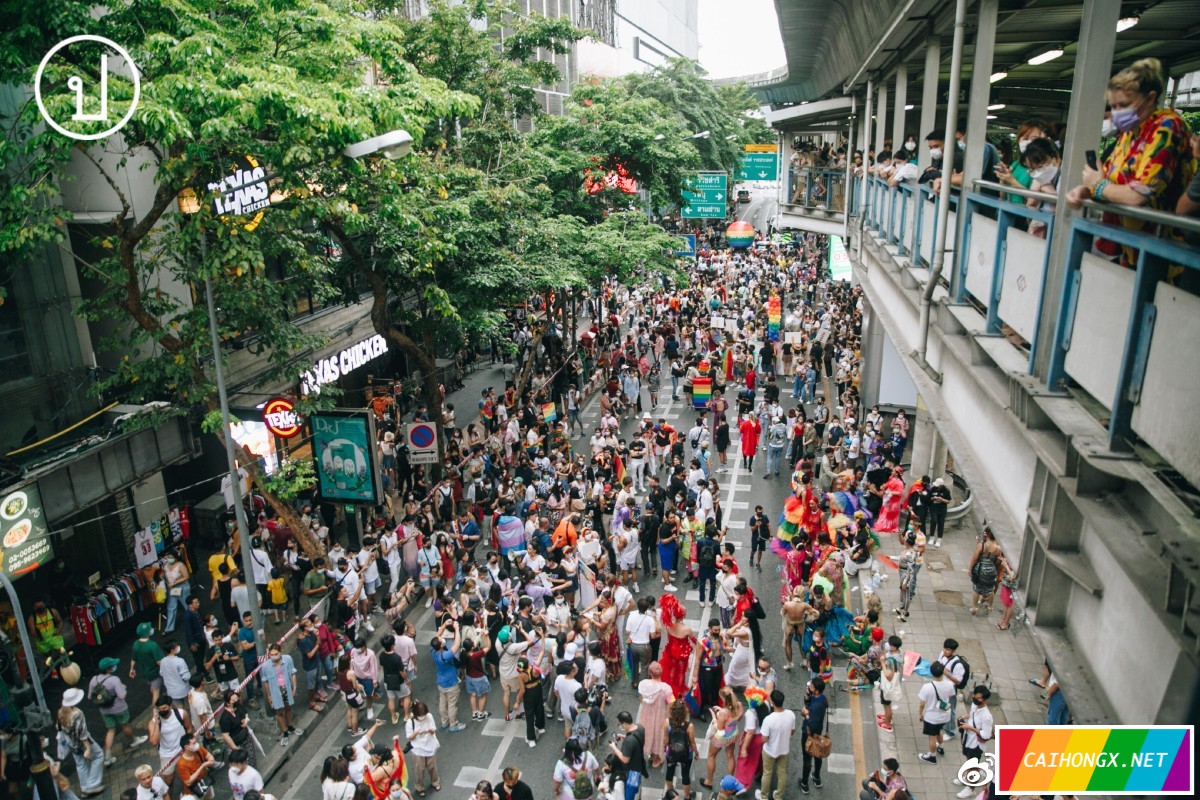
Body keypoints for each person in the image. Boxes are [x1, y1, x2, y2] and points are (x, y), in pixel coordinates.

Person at [1066, 58, 1194, 265]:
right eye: (1114, 106)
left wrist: (1096, 185)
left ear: (1150, 98)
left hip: (1163, 252)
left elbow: (1136, 195)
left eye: (1124, 105)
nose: (1117, 112)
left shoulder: (1167, 127)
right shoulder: (1129, 134)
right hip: (1129, 248)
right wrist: (1084, 189)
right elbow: (1109, 180)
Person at [88, 657, 149, 766]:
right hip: (119, 708)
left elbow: (90, 696)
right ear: (109, 669)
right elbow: (122, 695)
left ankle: (107, 756)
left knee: (110, 730)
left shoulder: (94, 680)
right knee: (125, 725)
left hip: (104, 710)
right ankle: (134, 740)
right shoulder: (114, 680)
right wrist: (123, 687)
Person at [58, 688, 105, 797]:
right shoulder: (78, 713)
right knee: (98, 755)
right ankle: (92, 785)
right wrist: (88, 748)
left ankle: (84, 788)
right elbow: (83, 734)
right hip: (82, 743)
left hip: (72, 744)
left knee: (81, 764)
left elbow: (60, 730)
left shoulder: (60, 713)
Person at [954, 686, 995, 798]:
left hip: (976, 745)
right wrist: (963, 717)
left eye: (978, 698)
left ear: (984, 700)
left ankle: (970, 788)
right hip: (968, 739)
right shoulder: (974, 705)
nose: (975, 699)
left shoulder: (987, 717)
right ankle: (965, 777)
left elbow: (986, 734)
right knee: (968, 760)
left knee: (973, 766)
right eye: (975, 696)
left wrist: (970, 727)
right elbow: (971, 715)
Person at [259, 643, 303, 747]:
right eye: (271, 654)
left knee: (288, 708)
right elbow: (265, 682)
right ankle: (285, 732)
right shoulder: (266, 666)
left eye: (276, 653)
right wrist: (269, 696)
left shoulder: (287, 659)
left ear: (280, 652)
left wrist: (294, 687)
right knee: (279, 711)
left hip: (286, 688)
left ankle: (290, 726)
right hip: (275, 691)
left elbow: (293, 673)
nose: (274, 656)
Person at [757, 689, 795, 800]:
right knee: (782, 773)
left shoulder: (769, 720)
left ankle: (764, 796)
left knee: (767, 773)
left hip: (770, 751)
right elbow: (792, 732)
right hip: (784, 749)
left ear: (772, 702)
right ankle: (778, 796)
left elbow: (764, 739)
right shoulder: (791, 715)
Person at [702, 687, 742, 790]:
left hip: (721, 738)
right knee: (730, 756)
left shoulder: (722, 713)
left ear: (723, 699)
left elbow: (719, 728)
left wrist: (715, 717)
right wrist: (721, 711)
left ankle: (709, 781)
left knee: (711, 756)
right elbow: (738, 718)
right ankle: (730, 784)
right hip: (732, 734)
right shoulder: (739, 706)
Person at [147, 696, 190, 791]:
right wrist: (157, 724)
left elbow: (188, 728)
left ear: (170, 706)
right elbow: (154, 742)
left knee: (187, 776)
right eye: (160, 709)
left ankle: (187, 793)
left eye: (164, 708)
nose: (162, 711)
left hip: (182, 750)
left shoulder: (181, 713)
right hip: (167, 754)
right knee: (168, 781)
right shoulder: (153, 723)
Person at [635, 662, 673, 769]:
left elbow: (641, 698)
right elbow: (671, 703)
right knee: (658, 735)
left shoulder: (643, 684)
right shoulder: (666, 688)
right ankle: (656, 757)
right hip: (660, 715)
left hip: (646, 713)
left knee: (647, 732)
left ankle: (651, 753)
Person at [917, 662, 956, 764]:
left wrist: (920, 714)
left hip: (932, 717)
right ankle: (941, 747)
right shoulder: (950, 684)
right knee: (939, 732)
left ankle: (932, 756)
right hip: (945, 716)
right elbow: (951, 696)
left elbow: (922, 704)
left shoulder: (927, 687)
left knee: (932, 737)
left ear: (931, 672)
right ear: (943, 671)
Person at [431, 620, 466, 731]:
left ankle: (444, 721)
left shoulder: (433, 650)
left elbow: (437, 635)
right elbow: (457, 644)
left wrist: (444, 625)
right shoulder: (445, 655)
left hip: (441, 681)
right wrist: (456, 628)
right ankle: (453, 724)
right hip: (450, 682)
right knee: (452, 704)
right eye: (442, 641)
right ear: (441, 645)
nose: (442, 639)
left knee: (443, 702)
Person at [663, 700, 698, 800]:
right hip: (686, 754)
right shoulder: (689, 726)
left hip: (671, 752)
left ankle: (672, 794)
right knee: (685, 774)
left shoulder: (667, 722)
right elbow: (692, 742)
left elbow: (665, 739)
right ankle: (687, 796)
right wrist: (696, 753)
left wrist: (665, 749)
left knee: (669, 773)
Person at [799, 678, 828, 794]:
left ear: (816, 691)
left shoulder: (817, 706)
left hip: (809, 734)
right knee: (817, 755)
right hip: (818, 733)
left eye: (811, 686)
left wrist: (805, 714)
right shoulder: (821, 698)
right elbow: (808, 703)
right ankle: (816, 777)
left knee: (807, 758)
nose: (809, 686)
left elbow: (812, 722)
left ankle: (804, 783)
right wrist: (807, 695)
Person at [130, 622, 166, 707]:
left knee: (153, 689)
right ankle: (155, 712)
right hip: (155, 673)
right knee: (156, 693)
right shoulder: (153, 646)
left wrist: (131, 669)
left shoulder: (136, 644)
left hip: (145, 673)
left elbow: (133, 659)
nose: (152, 629)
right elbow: (159, 662)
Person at [175, 734, 218, 800]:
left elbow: (209, 756)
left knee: (209, 797)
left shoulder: (198, 749)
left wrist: (211, 761)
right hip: (193, 791)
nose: (197, 744)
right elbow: (188, 782)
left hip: (205, 782)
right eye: (194, 743)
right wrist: (202, 766)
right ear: (186, 747)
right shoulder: (181, 764)